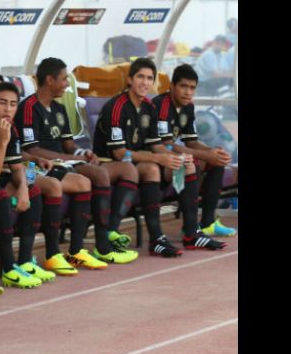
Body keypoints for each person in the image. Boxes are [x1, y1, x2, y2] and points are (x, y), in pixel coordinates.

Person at [93, 58, 223, 256]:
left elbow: (156, 145)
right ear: (130, 80)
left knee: (185, 164)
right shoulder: (117, 107)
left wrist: (174, 157)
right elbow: (120, 153)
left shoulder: (148, 106)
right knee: (152, 168)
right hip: (111, 162)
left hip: (137, 159)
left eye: (149, 78)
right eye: (140, 77)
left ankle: (192, 234)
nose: (145, 82)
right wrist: (159, 158)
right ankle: (156, 239)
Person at [15, 58, 139, 266]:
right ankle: (89, 249)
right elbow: (31, 149)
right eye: (64, 79)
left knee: (101, 172)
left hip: (63, 162)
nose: (66, 84)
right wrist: (73, 158)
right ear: (49, 80)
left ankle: (98, 246)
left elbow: (68, 144)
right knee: (92, 177)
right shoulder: (28, 107)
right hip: (39, 165)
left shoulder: (60, 109)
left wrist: (84, 152)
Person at [0, 82, 49, 288]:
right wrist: (3, 142)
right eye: (2, 103)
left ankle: (24, 260)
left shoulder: (9, 126)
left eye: (13, 104)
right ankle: (7, 267)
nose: (8, 109)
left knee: (33, 190)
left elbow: (17, 168)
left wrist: (23, 190)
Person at [151, 64, 236, 238]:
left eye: (192, 88)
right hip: (154, 161)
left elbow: (191, 141)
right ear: (172, 86)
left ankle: (208, 223)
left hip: (171, 158)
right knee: (191, 162)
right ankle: (190, 228)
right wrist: (206, 154)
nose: (188, 92)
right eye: (183, 86)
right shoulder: (161, 105)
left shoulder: (188, 107)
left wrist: (213, 152)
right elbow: (168, 145)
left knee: (215, 161)